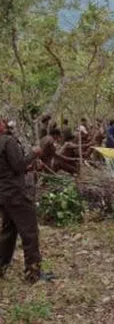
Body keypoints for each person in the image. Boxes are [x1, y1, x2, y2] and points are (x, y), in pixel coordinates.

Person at [0, 117, 54, 283]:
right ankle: (33, 274)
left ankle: (1, 267)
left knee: (9, 233)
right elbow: (18, 165)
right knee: (29, 232)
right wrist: (34, 153)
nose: (5, 122)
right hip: (16, 194)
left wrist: (28, 166)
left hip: (3, 194)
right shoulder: (7, 141)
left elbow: (9, 168)